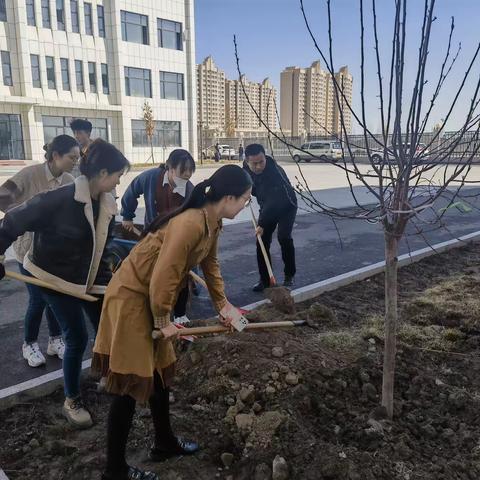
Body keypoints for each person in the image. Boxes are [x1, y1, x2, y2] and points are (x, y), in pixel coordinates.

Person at [92, 165, 253, 480]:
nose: (246, 205)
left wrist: (224, 305)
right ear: (229, 196)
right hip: (132, 298)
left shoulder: (213, 222)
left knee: (161, 374)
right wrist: (164, 319)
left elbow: (211, 263)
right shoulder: (190, 223)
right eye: (245, 199)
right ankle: (114, 471)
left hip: (151, 297)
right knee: (129, 381)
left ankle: (164, 443)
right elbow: (164, 276)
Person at [0, 139, 130, 428]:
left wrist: (116, 275)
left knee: (107, 327)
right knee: (77, 337)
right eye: (118, 175)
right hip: (52, 277)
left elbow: (104, 247)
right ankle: (72, 400)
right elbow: (11, 222)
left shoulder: (107, 204)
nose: (120, 181)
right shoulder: (58, 199)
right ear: (102, 173)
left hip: (89, 277)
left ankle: (107, 377)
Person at [0, 135, 78, 367]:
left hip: (54, 251)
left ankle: (54, 340)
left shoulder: (69, 180)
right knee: (38, 299)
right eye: (72, 157)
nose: (75, 161)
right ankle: (29, 343)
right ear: (56, 156)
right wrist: (26, 216)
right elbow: (2, 197)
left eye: (77, 158)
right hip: (28, 251)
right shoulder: (30, 175)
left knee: (53, 294)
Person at [120, 149, 196, 324]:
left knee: (181, 275)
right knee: (153, 273)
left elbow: (193, 217)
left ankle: (180, 314)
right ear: (169, 168)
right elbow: (132, 191)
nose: (183, 182)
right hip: (152, 236)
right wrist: (127, 216)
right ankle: (153, 313)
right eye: (180, 176)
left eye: (187, 178)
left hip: (177, 238)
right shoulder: (151, 178)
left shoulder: (189, 190)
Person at [243, 143, 298, 292]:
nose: (259, 166)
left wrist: (261, 224)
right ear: (247, 161)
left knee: (284, 237)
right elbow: (245, 184)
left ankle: (289, 275)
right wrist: (244, 194)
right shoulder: (245, 169)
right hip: (267, 205)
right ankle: (265, 280)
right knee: (261, 241)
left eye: (262, 161)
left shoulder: (275, 172)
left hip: (286, 205)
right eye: (255, 163)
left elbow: (273, 200)